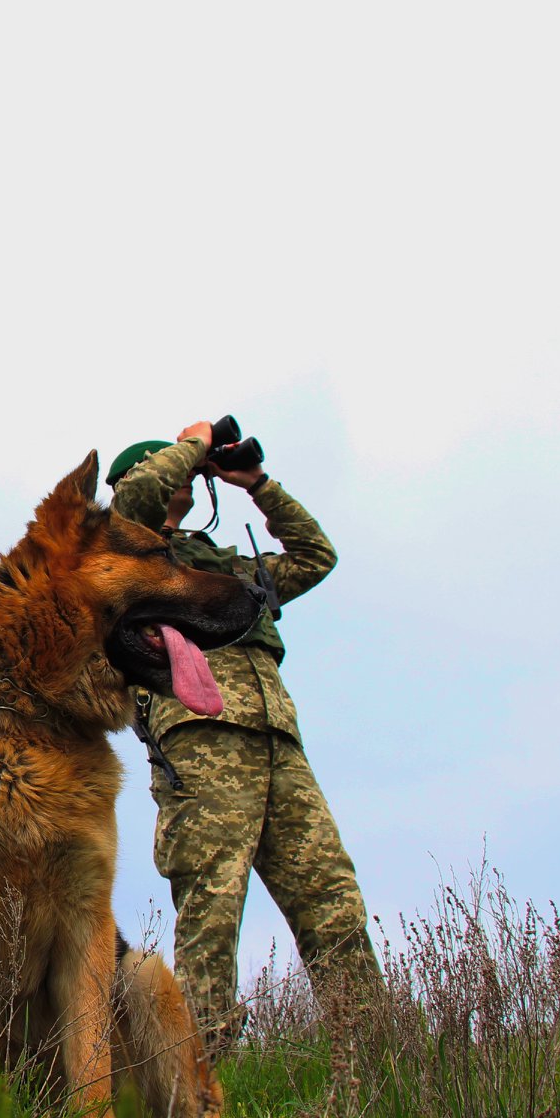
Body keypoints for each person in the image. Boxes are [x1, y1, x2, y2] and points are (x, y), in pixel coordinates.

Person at [107, 423, 381, 1054]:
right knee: (213, 905)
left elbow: (316, 557)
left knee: (331, 897)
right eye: (177, 470)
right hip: (200, 741)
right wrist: (195, 445)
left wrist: (257, 484)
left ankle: (375, 1057)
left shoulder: (227, 567)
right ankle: (202, 1067)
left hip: (277, 742)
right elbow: (140, 497)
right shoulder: (128, 552)